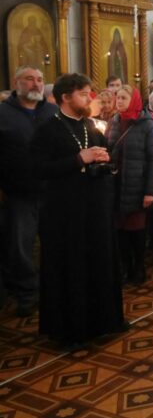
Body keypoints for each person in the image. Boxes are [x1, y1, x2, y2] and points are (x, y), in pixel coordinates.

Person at [30, 73, 127, 348]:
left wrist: (105, 159)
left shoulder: (90, 126)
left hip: (94, 211)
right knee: (72, 268)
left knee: (98, 263)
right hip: (64, 215)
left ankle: (103, 322)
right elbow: (38, 169)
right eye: (83, 94)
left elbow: (104, 157)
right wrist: (78, 159)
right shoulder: (47, 129)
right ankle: (72, 330)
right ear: (66, 97)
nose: (89, 98)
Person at [0, 66, 58, 316]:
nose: (36, 83)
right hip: (18, 193)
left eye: (40, 79)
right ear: (17, 82)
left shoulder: (53, 112)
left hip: (52, 192)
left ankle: (54, 290)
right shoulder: (3, 113)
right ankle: (27, 293)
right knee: (21, 246)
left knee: (54, 242)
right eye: (29, 79)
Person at [107, 85, 153, 285]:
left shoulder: (147, 125)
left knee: (136, 230)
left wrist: (149, 192)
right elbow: (109, 149)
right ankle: (124, 266)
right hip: (117, 185)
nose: (119, 101)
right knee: (120, 229)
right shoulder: (114, 121)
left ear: (134, 100)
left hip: (137, 186)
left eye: (123, 98)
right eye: (117, 97)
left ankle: (138, 267)